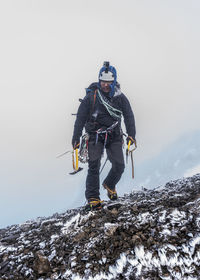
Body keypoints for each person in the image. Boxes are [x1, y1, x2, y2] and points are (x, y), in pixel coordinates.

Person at [72, 62, 136, 210]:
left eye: (108, 82)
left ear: (114, 82)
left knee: (119, 165)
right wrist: (76, 138)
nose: (105, 85)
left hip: (114, 135)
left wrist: (131, 134)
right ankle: (93, 198)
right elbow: (80, 118)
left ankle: (110, 184)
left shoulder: (120, 98)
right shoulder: (91, 97)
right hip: (94, 135)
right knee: (94, 166)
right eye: (103, 82)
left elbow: (129, 115)